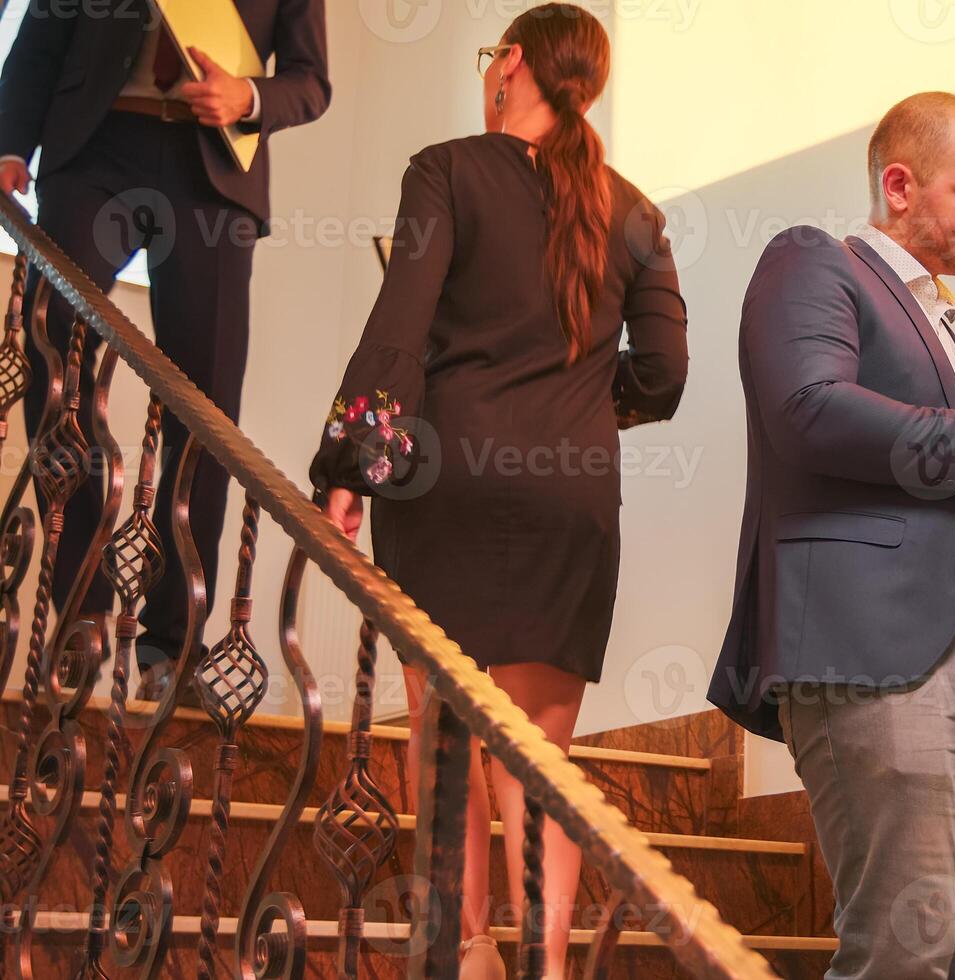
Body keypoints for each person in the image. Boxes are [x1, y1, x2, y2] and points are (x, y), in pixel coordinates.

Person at [310, 7, 686, 977]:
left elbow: (401, 321)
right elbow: (666, 373)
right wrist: (576, 410)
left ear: (510, 64)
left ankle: (465, 947)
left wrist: (350, 467)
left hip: (449, 482)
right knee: (536, 752)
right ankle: (547, 961)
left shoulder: (445, 168)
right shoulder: (636, 209)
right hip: (571, 489)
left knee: (442, 731)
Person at [708, 92, 955, 979]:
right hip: (878, 648)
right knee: (903, 953)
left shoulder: (945, 332)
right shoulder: (815, 262)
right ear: (899, 185)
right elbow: (808, 411)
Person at [0, 0, 329, 701]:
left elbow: (310, 80)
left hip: (213, 170)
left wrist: (250, 96)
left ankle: (169, 646)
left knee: (204, 406)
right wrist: (9, 145)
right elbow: (41, 37)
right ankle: (82, 610)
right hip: (93, 148)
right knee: (54, 338)